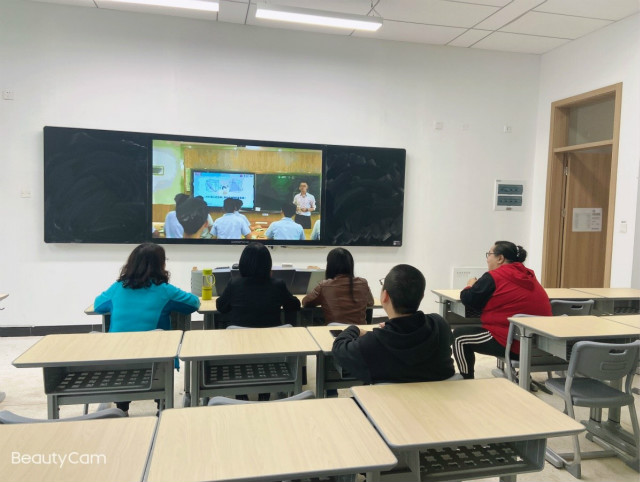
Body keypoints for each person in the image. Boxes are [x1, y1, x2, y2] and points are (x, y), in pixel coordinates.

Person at [93, 243, 200, 413]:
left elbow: (98, 306)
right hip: (155, 364)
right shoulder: (164, 290)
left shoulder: (118, 288)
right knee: (161, 353)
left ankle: (122, 408)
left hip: (118, 363)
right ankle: (161, 404)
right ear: (160, 265)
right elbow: (194, 303)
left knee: (125, 358)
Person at [332, 264, 455, 384]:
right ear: (422, 296)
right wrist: (391, 328)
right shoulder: (440, 324)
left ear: (385, 296)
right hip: (439, 396)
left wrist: (355, 329)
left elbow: (339, 349)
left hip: (387, 398)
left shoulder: (372, 343)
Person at [452, 241, 552, 379]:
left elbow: (468, 299)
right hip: (541, 346)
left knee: (459, 337)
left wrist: (470, 285)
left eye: (489, 254)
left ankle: (466, 381)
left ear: (500, 258)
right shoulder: (529, 275)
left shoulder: (494, 276)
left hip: (513, 344)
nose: (487, 259)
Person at [216, 242, 301, 328]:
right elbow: (295, 306)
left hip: (240, 335)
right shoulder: (278, 285)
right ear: (268, 264)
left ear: (242, 263)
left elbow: (221, 307)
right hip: (272, 335)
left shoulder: (234, 284)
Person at [302, 248, 374, 325]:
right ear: (351, 265)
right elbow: (370, 302)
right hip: (360, 331)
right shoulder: (362, 283)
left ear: (330, 266)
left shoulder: (324, 285)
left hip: (334, 330)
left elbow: (305, 302)